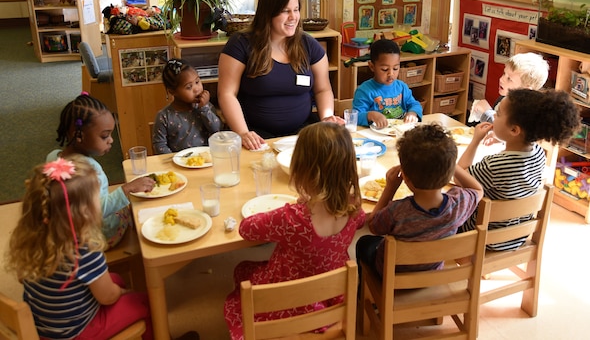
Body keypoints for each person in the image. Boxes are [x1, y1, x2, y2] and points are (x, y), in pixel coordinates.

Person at [223, 122, 366, 339]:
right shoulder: (354, 208)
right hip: (330, 295)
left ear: (303, 170)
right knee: (247, 270)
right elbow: (363, 221)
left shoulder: (293, 218)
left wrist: (295, 207)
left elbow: (246, 230)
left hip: (285, 299)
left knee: (243, 273)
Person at [5, 155, 153, 339]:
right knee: (146, 302)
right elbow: (108, 297)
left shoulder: (31, 239)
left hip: (44, 326)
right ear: (84, 213)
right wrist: (124, 293)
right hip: (78, 332)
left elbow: (23, 279)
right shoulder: (84, 249)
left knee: (116, 279)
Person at [217, 0, 343, 151]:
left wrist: (327, 116)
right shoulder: (240, 44)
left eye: (296, 10)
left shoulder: (308, 44)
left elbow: (323, 89)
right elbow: (226, 93)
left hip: (302, 133)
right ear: (268, 14)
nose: (293, 17)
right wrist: (243, 133)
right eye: (285, 11)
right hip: (257, 136)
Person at [456, 88, 580, 250]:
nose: (494, 117)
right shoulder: (538, 153)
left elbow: (458, 177)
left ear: (514, 130)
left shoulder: (495, 165)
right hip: (516, 236)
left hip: (482, 237)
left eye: (498, 114)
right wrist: (503, 139)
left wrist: (475, 141)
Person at [356, 123, 483, 276]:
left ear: (406, 178)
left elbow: (374, 226)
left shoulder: (397, 211)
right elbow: (477, 189)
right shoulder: (459, 203)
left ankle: (362, 293)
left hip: (392, 273)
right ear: (449, 174)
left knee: (364, 243)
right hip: (432, 271)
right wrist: (450, 164)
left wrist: (390, 188)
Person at [47, 93, 155, 248]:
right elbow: (96, 210)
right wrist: (127, 189)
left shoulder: (53, 156)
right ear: (79, 135)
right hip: (97, 236)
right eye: (105, 136)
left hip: (67, 227)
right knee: (135, 209)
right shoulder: (89, 170)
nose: (111, 140)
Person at [152, 58, 222, 154]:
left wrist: (204, 108)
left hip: (206, 160)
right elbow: (159, 145)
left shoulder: (205, 106)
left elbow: (217, 130)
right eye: (189, 87)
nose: (197, 89)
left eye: (197, 82)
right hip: (179, 164)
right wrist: (174, 159)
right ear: (172, 92)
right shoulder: (164, 116)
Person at [352, 39, 422, 128]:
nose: (391, 74)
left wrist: (413, 113)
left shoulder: (402, 87)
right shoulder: (364, 91)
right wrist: (370, 115)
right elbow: (355, 116)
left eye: (395, 68)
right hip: (376, 135)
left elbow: (415, 104)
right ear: (372, 66)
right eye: (385, 69)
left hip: (399, 132)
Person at [469, 52, 549, 126]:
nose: (501, 79)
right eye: (504, 73)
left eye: (509, 79)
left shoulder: (525, 112)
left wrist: (487, 112)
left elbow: (505, 132)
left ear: (525, 90)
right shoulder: (503, 99)